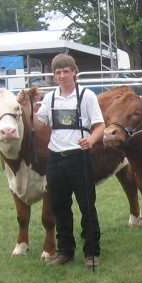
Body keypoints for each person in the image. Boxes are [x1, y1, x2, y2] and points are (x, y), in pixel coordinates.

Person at [36, 53, 105, 268]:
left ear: (74, 72)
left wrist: (91, 140)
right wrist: (26, 107)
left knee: (86, 205)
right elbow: (38, 124)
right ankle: (65, 251)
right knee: (59, 206)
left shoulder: (86, 96)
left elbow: (99, 125)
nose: (63, 75)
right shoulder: (50, 98)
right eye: (58, 72)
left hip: (79, 157)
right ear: (54, 75)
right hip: (56, 158)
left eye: (66, 71)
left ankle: (92, 252)